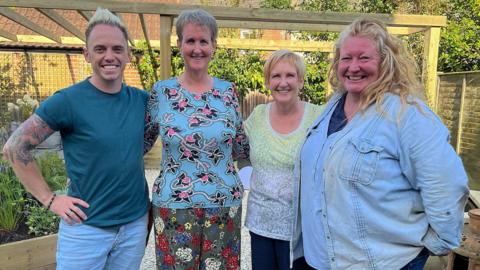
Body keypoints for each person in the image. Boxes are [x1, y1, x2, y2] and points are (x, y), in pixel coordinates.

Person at [291, 18, 470, 269]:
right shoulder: (332, 107)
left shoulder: (408, 115)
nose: (353, 67)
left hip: (379, 263)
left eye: (364, 58)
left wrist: (433, 242)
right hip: (318, 259)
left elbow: (446, 185)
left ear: (386, 62)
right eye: (346, 58)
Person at [2, 8, 150, 270]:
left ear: (128, 54)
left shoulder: (142, 101)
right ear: (87, 54)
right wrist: (50, 199)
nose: (109, 56)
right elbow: (15, 148)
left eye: (117, 48)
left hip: (133, 225)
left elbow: (144, 142)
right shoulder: (68, 101)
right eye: (100, 49)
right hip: (85, 228)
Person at [144, 9, 249, 270]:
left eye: (204, 41)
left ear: (214, 45)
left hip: (224, 206)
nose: (197, 48)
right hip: (172, 206)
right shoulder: (162, 92)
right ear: (179, 44)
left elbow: (242, 146)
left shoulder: (228, 92)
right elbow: (140, 143)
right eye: (190, 40)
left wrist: (252, 184)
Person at [243, 50, 324, 270]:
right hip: (260, 223)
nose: (283, 82)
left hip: (301, 228)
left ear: (301, 80)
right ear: (268, 82)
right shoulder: (258, 116)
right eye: (276, 76)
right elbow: (237, 150)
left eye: (290, 75)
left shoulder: (319, 117)